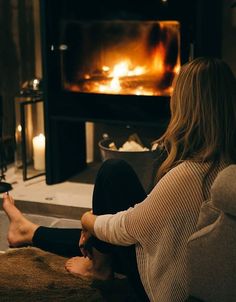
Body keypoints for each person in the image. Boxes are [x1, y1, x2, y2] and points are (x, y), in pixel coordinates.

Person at [2, 57, 236, 302]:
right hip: (175, 254)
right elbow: (146, 216)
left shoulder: (189, 175)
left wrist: (88, 220)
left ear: (186, 106)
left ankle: (96, 266)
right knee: (112, 204)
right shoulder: (225, 164)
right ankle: (29, 232)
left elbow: (124, 229)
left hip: (161, 288)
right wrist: (100, 217)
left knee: (113, 172)